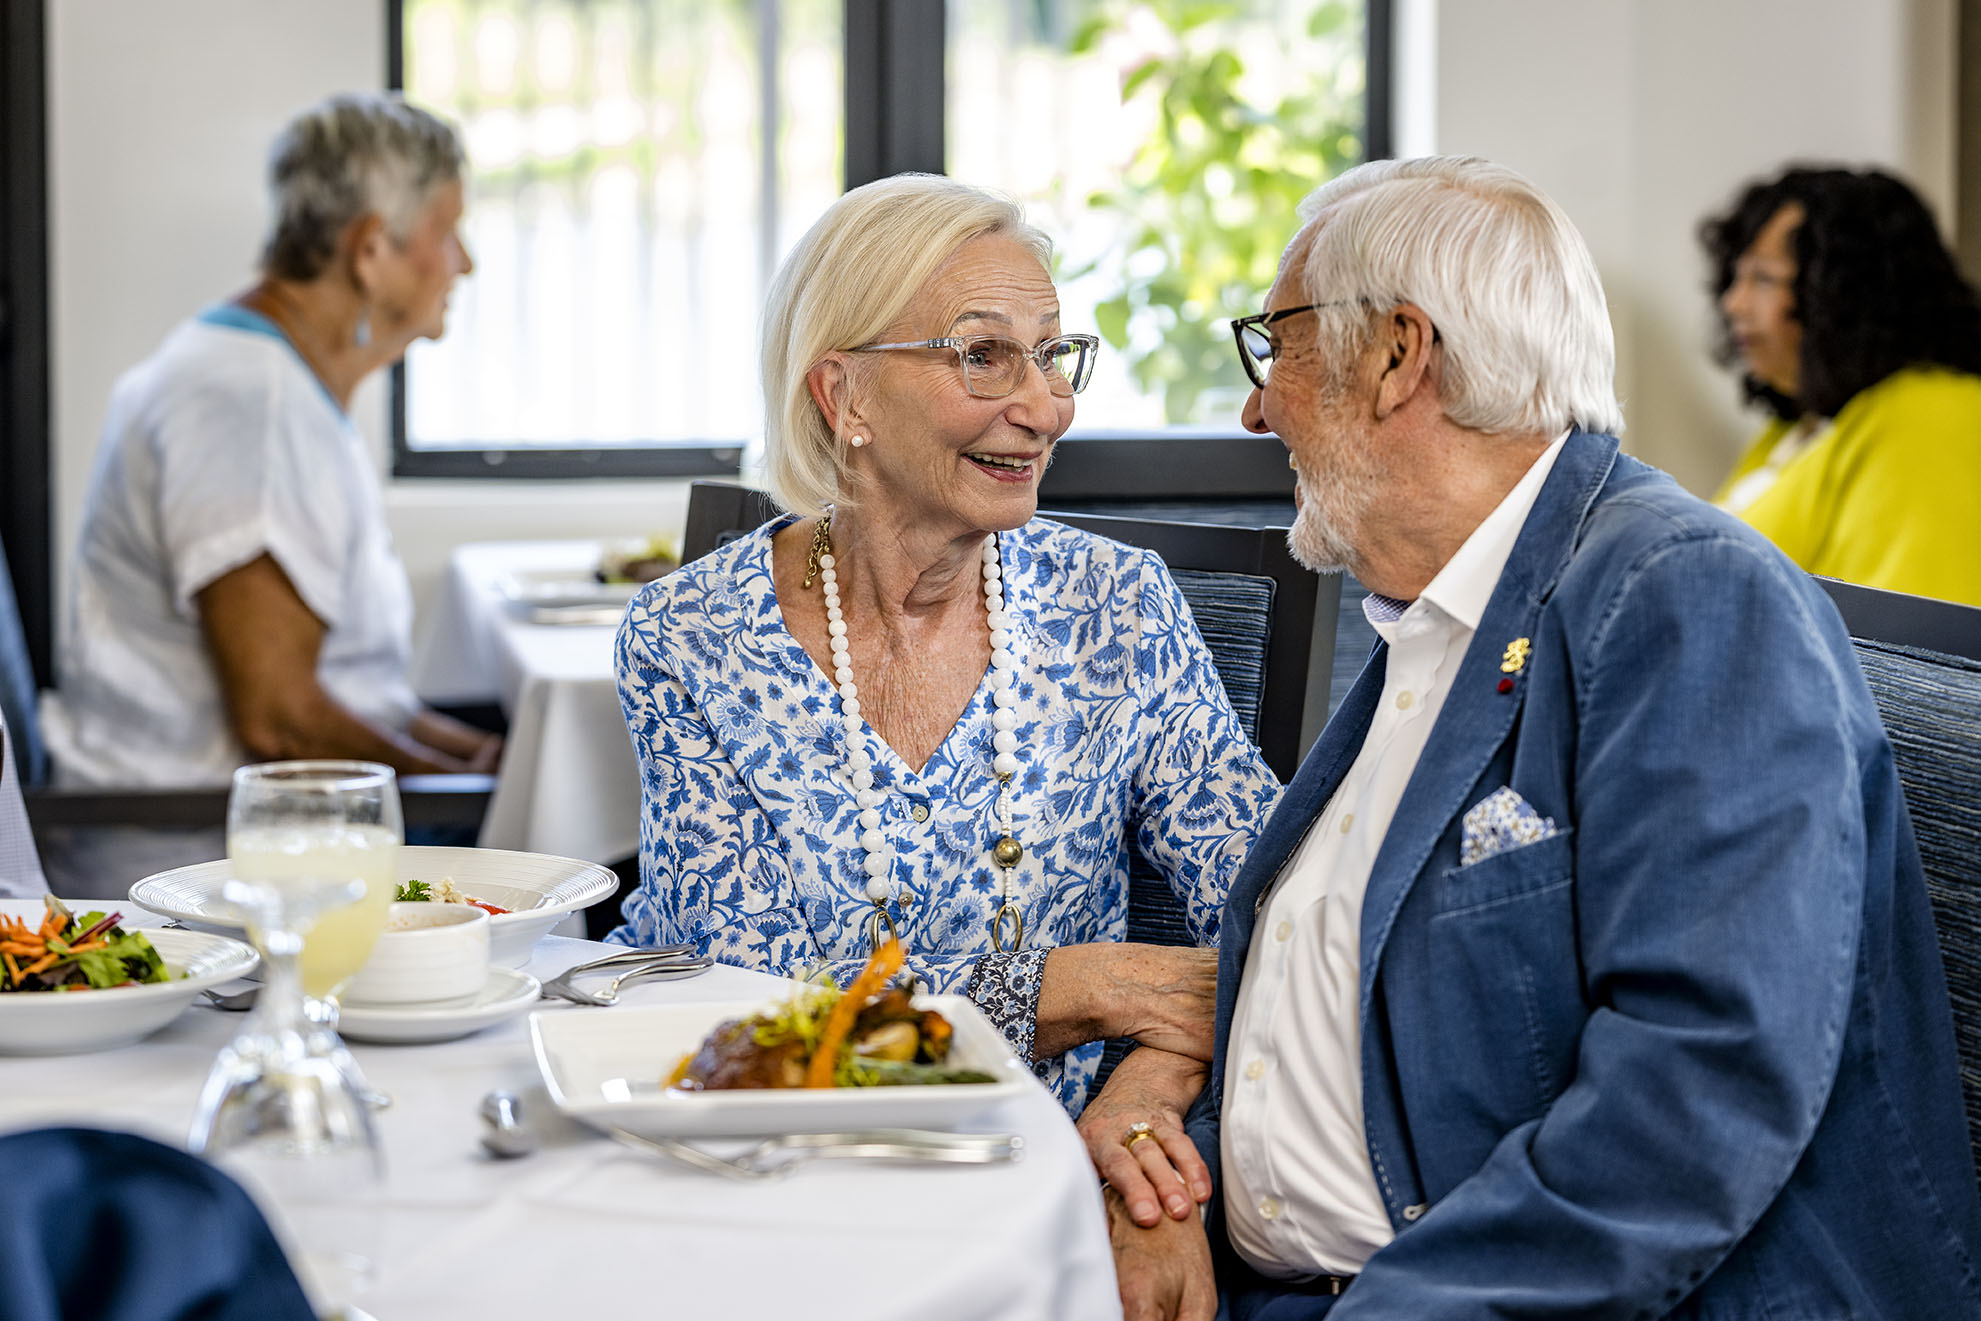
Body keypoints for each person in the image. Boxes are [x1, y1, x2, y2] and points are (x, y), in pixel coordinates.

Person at [1108, 155, 1981, 1320]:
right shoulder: (1432, 622)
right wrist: (1170, 1169)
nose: (1255, 405)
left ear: (1394, 356)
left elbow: (1697, 1092)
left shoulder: (1682, 596)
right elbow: (1343, 1001)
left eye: (1278, 344)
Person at [607, 174, 1282, 1181]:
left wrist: (1143, 1103)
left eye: (1052, 357)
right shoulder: (687, 636)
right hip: (760, 1166)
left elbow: (1279, 918)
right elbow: (765, 1030)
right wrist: (1083, 985)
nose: (1045, 406)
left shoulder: (1115, 605)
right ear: (844, 395)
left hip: (1042, 1167)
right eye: (983, 356)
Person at [43, 92, 500, 788]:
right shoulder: (250, 412)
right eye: (447, 232)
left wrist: (469, 760)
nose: (463, 263)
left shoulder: (262, 376)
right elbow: (278, 718)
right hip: (207, 852)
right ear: (371, 250)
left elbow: (355, 690)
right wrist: (461, 788)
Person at [1703, 165, 1981, 607]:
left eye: (1763, 278)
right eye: (1736, 277)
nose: (1733, 303)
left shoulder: (1927, 415)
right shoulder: (1794, 431)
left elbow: (1915, 651)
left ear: (1840, 293)